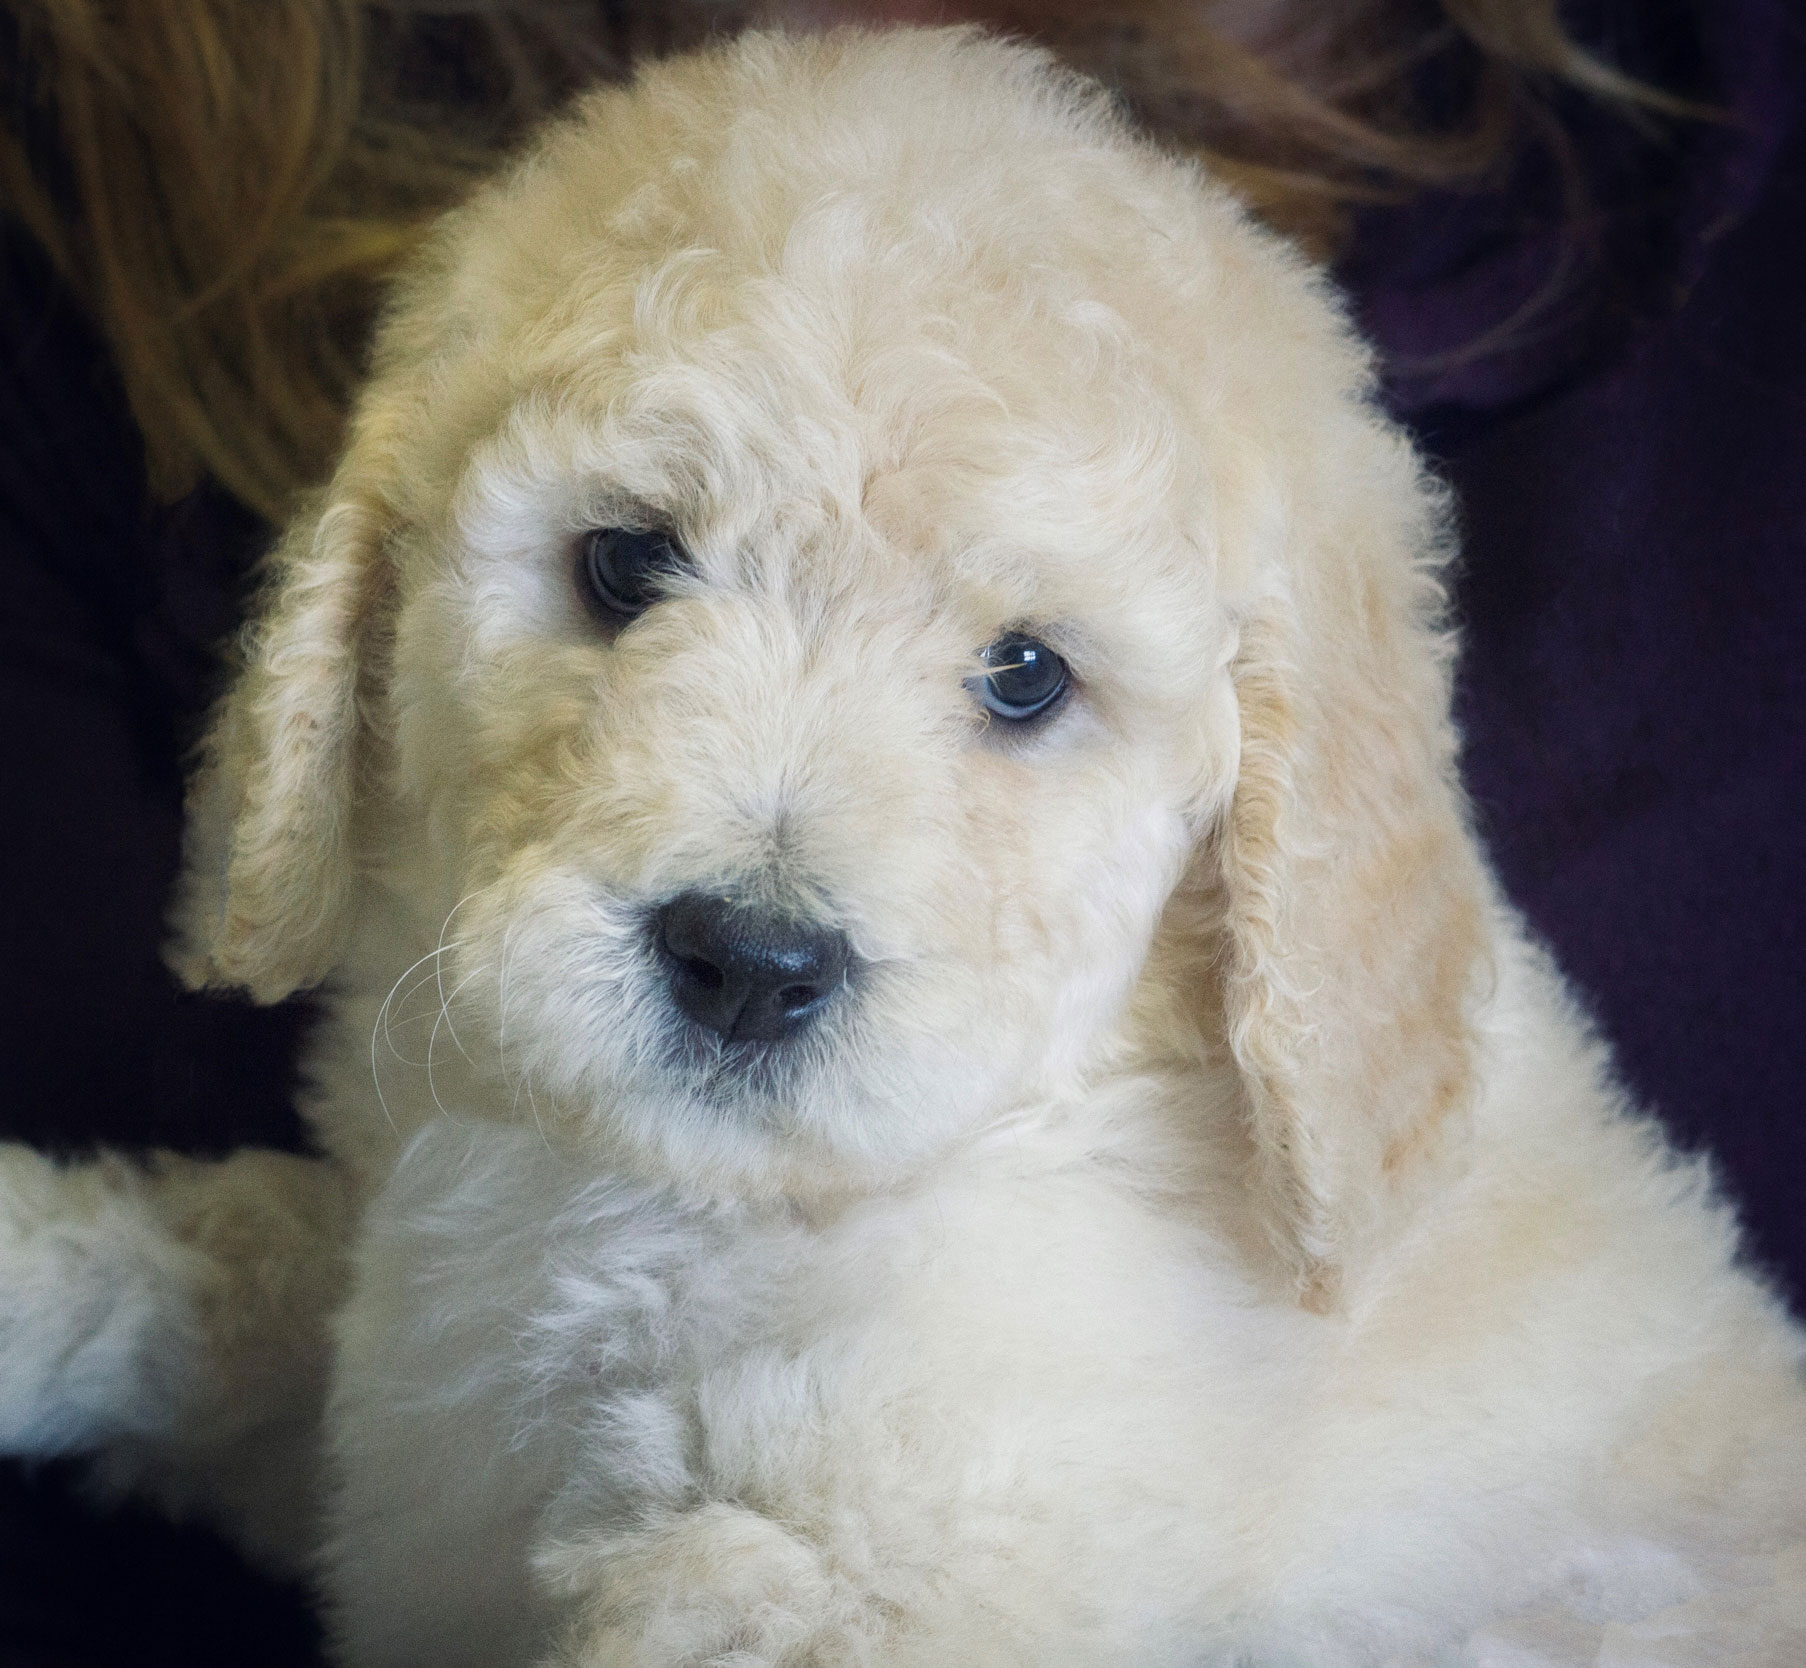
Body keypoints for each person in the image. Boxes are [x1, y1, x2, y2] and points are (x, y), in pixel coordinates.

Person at [1, 3, 1798, 1661]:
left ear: (1271, 792)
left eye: (1022, 679)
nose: (763, 885)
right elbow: (473, 1471)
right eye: (629, 568)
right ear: (369, 593)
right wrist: (135, 1313)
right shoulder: (533, 1127)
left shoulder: (1073, 1257)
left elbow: (883, 1592)